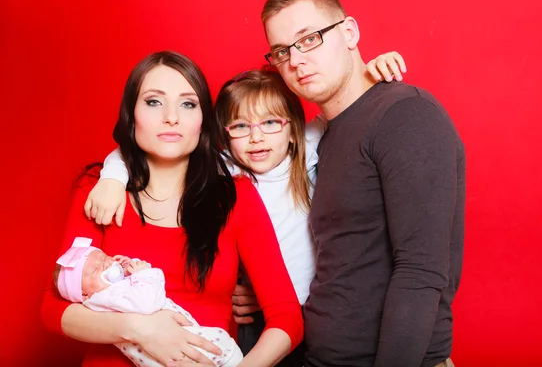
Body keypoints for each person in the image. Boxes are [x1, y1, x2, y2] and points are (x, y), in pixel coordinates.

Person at [85, 55, 406, 367]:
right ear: (224, 137)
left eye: (269, 122)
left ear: (292, 131)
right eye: (240, 126)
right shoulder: (225, 173)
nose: (256, 137)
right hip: (260, 317)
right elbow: (152, 147)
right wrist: (113, 176)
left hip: (318, 312)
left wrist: (369, 74)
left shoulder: (304, 151)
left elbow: (346, 106)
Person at [41, 50, 304, 367]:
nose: (171, 117)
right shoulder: (98, 189)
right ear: (131, 113)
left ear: (203, 119)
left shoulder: (235, 196)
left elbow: (287, 316)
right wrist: (139, 330)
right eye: (154, 101)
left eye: (187, 103)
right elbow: (53, 309)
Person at [260, 0, 465, 367]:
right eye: (282, 51)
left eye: (309, 39)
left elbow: (421, 272)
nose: (296, 61)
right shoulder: (320, 138)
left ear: (349, 32)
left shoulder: (404, 115)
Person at [54, 236, 244, 367]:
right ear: (84, 295)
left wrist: (129, 268)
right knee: (220, 347)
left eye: (104, 257)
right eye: (95, 270)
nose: (106, 264)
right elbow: (146, 304)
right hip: (163, 348)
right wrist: (143, 273)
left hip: (167, 342)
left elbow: (131, 294)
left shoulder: (108, 293)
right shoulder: (105, 298)